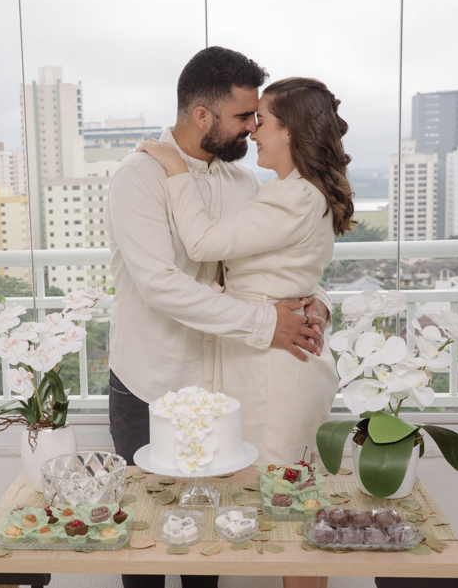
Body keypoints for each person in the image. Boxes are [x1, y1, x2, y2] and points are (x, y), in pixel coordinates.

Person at [106, 47, 330, 588]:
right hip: (152, 385)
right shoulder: (137, 177)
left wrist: (315, 301)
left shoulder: (243, 183)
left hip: (219, 389)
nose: (252, 128)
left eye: (258, 117)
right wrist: (264, 325)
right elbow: (162, 285)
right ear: (202, 115)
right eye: (243, 117)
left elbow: (273, 262)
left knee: (208, 550)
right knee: (146, 550)